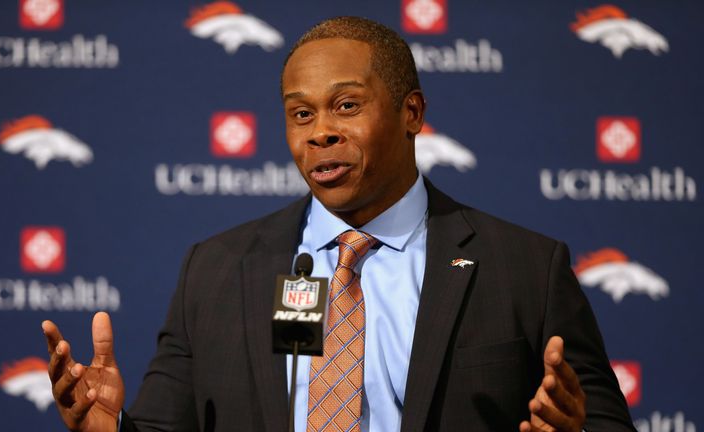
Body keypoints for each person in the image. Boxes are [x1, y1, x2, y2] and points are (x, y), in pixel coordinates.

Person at [42, 17, 635, 432]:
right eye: (301, 114)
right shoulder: (217, 270)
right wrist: (112, 428)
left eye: (346, 105)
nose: (319, 131)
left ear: (412, 113)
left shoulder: (527, 269)